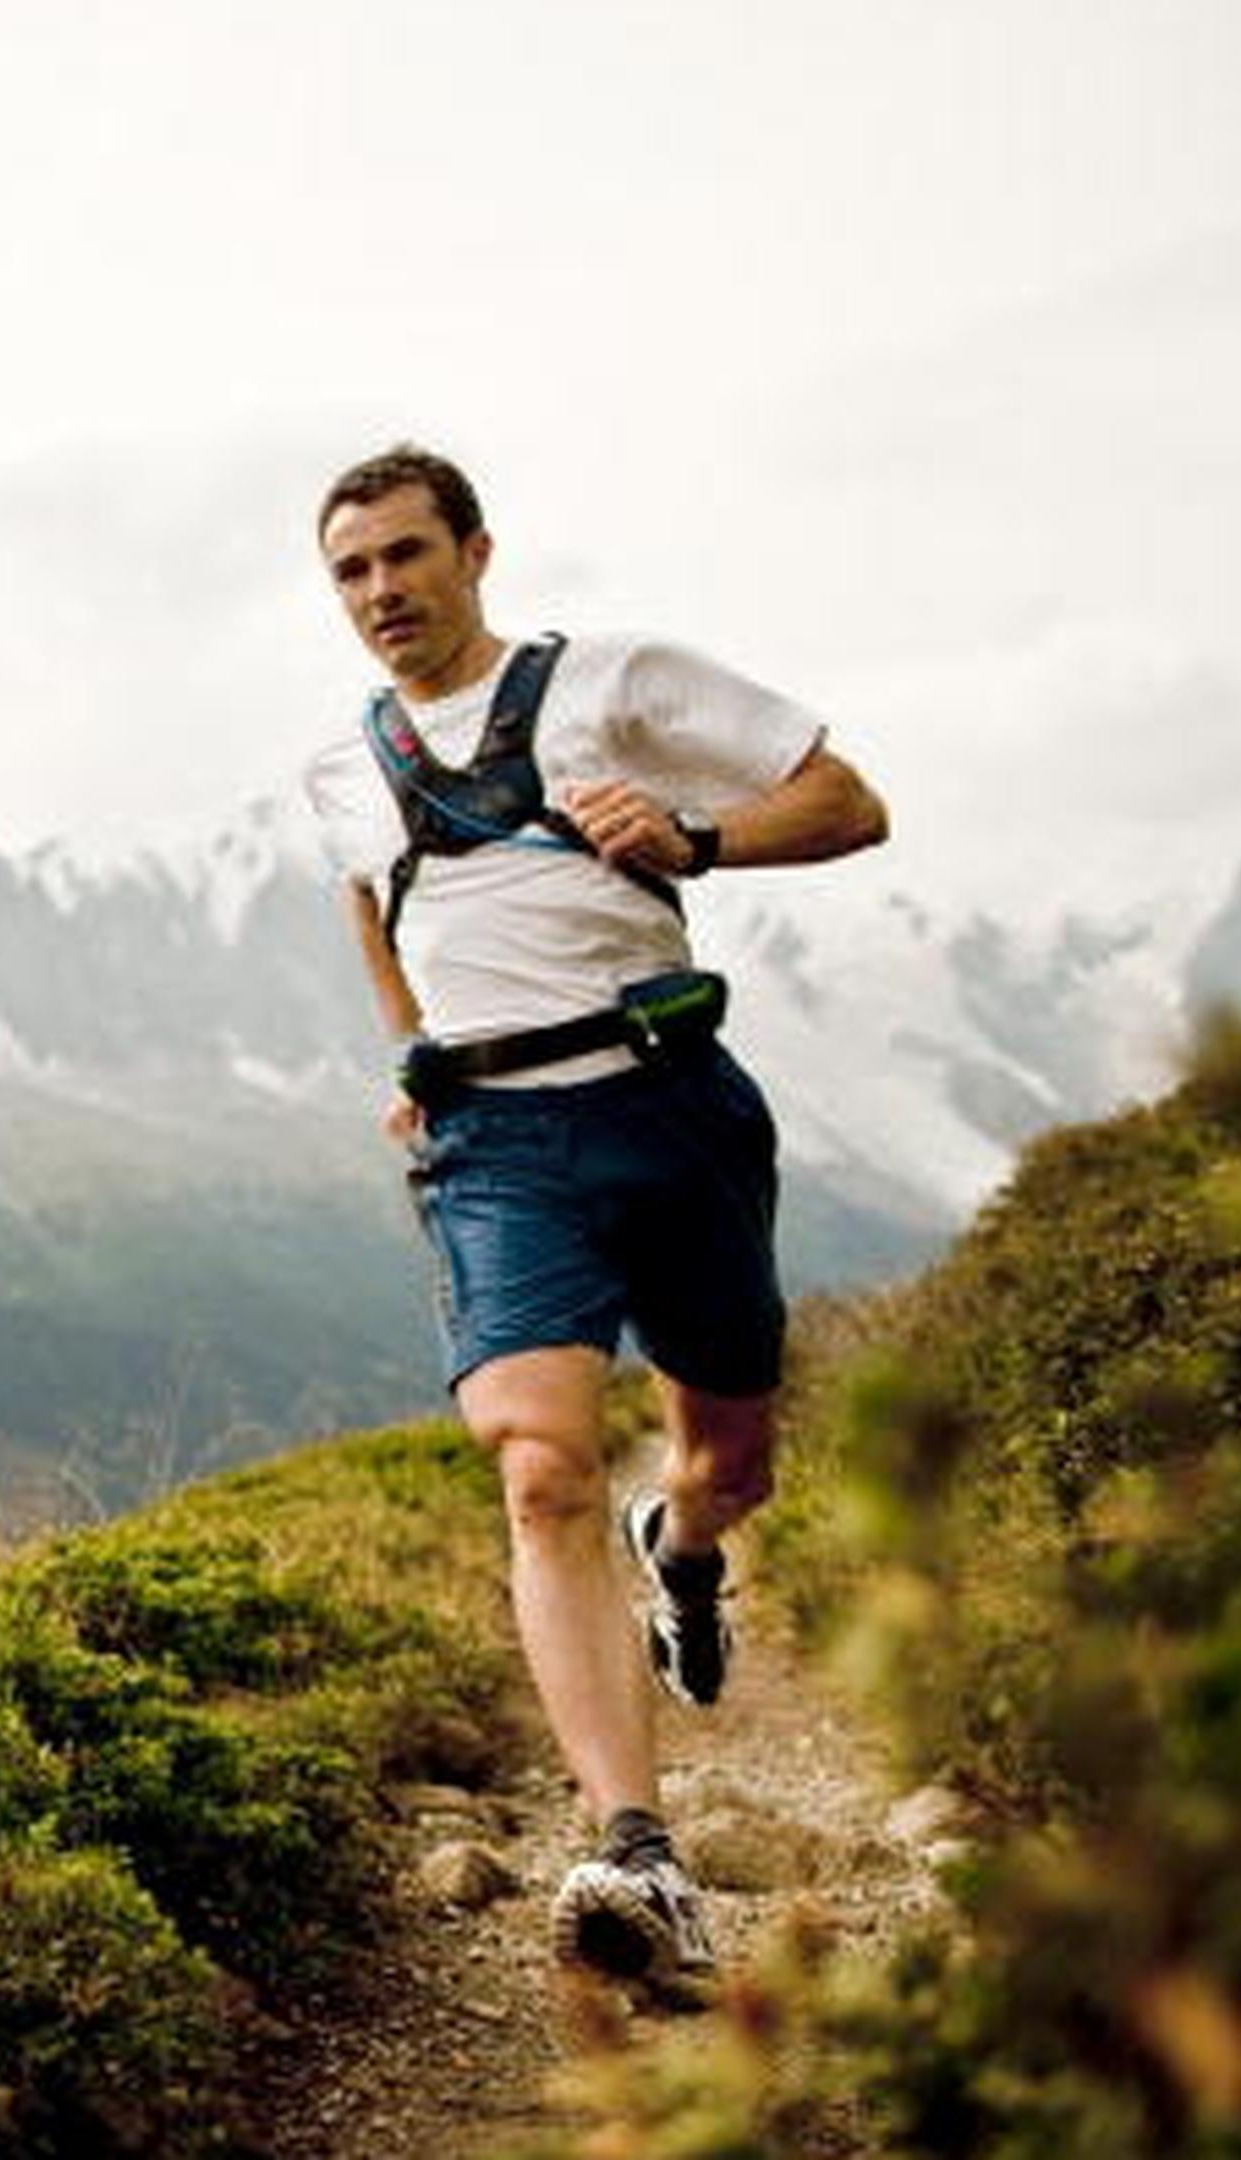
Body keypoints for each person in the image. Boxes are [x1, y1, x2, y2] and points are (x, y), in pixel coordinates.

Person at [299, 443, 888, 1987]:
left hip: (671, 1107)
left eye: (406, 555)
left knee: (731, 1456)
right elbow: (378, 916)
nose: (382, 592)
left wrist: (695, 843)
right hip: (495, 1142)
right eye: (352, 571)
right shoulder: (336, 773)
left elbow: (849, 801)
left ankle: (684, 1543)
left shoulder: (614, 682)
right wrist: (412, 1057)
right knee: (541, 1465)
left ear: (475, 553)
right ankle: (639, 1852)